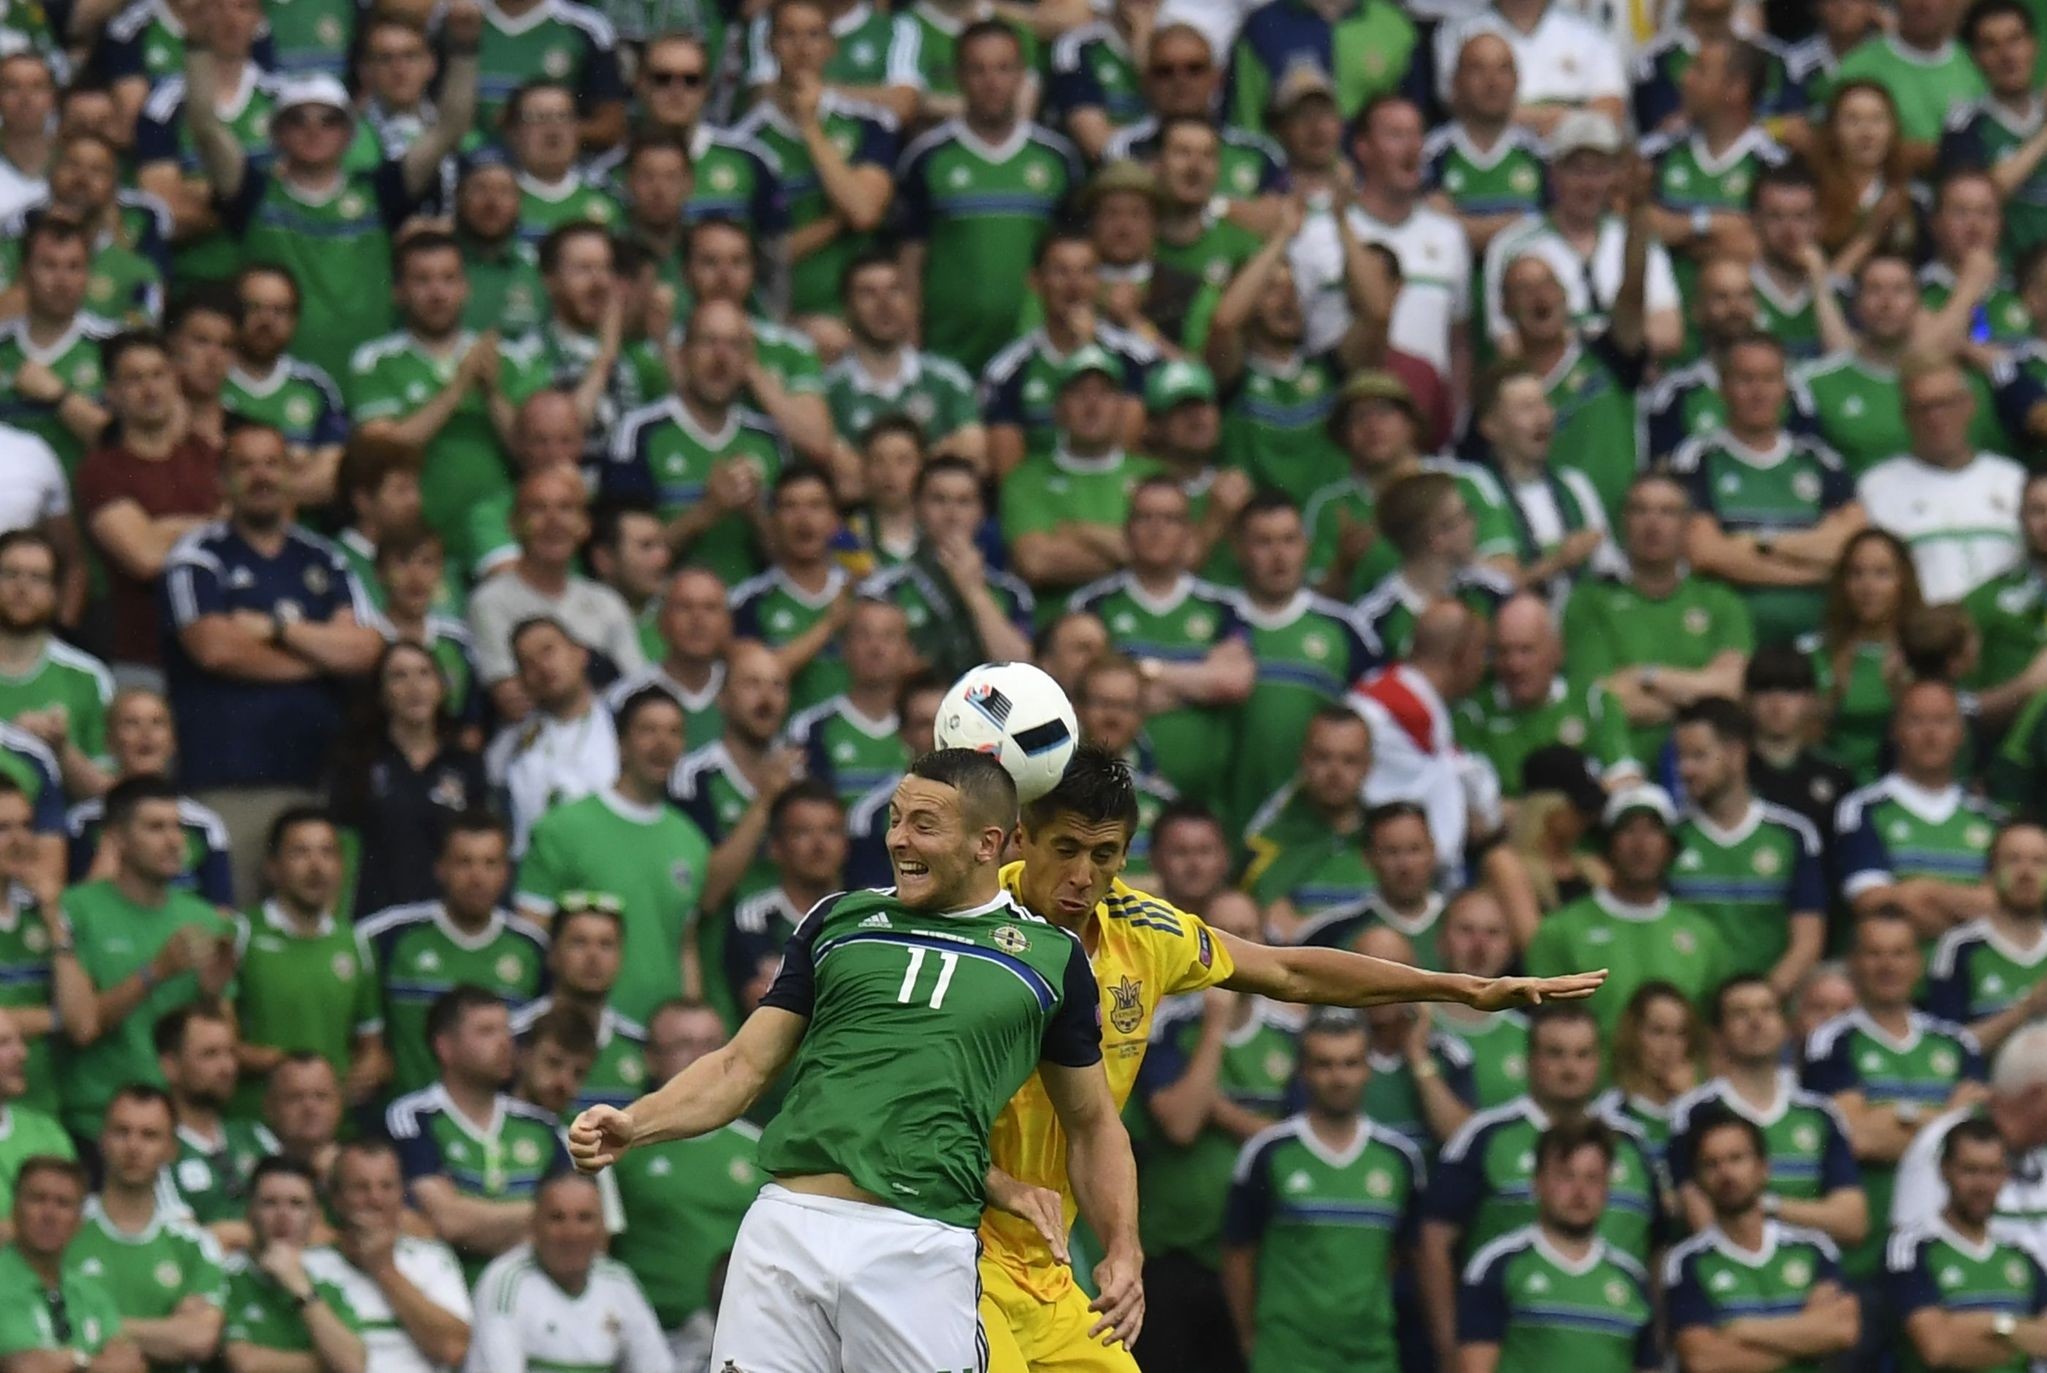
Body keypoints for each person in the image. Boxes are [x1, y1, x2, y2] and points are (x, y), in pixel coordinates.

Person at [970, 745, 1605, 1373]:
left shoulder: (1146, 934)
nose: (1083, 874)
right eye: (1066, 850)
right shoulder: (961, 928)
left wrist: (1459, 986)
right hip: (957, 1242)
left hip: (1046, 1269)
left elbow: (1290, 970)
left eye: (1103, 855)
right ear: (1022, 837)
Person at [568, 749, 1144, 1371]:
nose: (898, 839)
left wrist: (1122, 1245)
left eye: (924, 825)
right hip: (787, 1231)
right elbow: (741, 1066)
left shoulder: (1050, 957)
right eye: (895, 820)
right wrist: (638, 1123)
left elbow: (1091, 1126)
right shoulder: (840, 920)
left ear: (989, 843)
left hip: (920, 1244)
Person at [160, 424, 383, 897]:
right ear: (222, 482)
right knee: (232, 925)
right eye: (245, 465)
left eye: (272, 463)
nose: (261, 476)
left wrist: (280, 631)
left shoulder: (325, 558)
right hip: (227, 784)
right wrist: (320, 657)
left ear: (291, 475)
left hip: (318, 784)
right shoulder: (199, 557)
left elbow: (364, 650)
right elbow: (214, 649)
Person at [1418, 1005, 1661, 1373]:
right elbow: (1433, 1242)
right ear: (1530, 1059)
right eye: (1555, 1053)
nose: (1570, 1067)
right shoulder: (1486, 1137)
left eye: (1583, 1054)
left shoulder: (1633, 1145)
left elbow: (1658, 1252)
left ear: (1600, 1061)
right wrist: (1449, 1348)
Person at [1219, 1010, 1423, 1373]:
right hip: (1287, 1355)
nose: (1339, 1077)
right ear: (1303, 1071)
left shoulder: (1400, 1158)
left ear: (1367, 1068)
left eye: (1350, 1063)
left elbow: (1399, 1255)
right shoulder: (1268, 1153)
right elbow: (1238, 1255)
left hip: (1372, 1356)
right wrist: (1250, 1339)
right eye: (1324, 1064)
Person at [1805, 906, 1986, 1282]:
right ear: (1854, 962)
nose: (1888, 965)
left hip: (1945, 1249)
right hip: (1865, 1252)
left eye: (1900, 953)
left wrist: (1896, 1117)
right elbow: (1854, 1138)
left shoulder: (1957, 1044)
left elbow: (1976, 1144)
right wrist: (1944, 1119)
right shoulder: (1832, 1041)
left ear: (1918, 962)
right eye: (1875, 953)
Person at [50, 775, 236, 1140]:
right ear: (117, 838)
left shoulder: (204, 918)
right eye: (155, 827)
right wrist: (157, 971)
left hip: (179, 1126)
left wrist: (212, 995)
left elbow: (223, 1038)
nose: (173, 840)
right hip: (98, 1121)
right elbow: (82, 1028)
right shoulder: (76, 909)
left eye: (176, 827)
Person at [895, 22, 1084, 375]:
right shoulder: (927, 158)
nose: (992, 81)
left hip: (1035, 354)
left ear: (1022, 75)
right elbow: (910, 259)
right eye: (977, 69)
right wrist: (910, 339)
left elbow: (1076, 256)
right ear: (959, 77)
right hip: (946, 355)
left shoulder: (1056, 158)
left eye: (1003, 68)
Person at [515, 687, 710, 1018]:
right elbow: (530, 940)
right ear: (620, 743)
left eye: (674, 731)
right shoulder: (563, 828)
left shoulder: (691, 840)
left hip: (662, 1046)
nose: (662, 743)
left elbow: (685, 948)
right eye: (648, 730)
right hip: (580, 1039)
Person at [603, 999, 761, 1368]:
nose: (702, 1058)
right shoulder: (621, 1145)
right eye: (684, 1045)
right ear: (651, 1058)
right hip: (642, 1339)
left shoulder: (759, 1146)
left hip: (740, 1339)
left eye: (712, 1044)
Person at [1560, 474, 1755, 766]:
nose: (1653, 523)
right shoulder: (1589, 602)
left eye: (1667, 512)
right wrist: (1700, 691)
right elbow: (1599, 702)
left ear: (1688, 525)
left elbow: (1733, 690)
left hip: (1706, 768)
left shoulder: (1720, 601)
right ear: (1622, 522)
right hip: (1620, 765)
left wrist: (1647, 676)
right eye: (1640, 510)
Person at [1667, 976, 1867, 1248]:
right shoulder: (1694, 1114)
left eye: (1767, 1010)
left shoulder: (1821, 1113)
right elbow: (1706, 1225)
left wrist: (1766, 1206)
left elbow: (1852, 1222)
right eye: (1740, 1013)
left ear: (1785, 1026)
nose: (1756, 1021)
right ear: (1717, 1034)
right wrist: (1813, 1215)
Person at [387, 986, 571, 1281]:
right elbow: (446, 1221)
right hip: (449, 1297)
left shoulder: (541, 1126)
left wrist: (474, 1217)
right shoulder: (413, 1118)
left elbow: (573, 1225)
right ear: (445, 1047)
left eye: (506, 1032)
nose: (505, 1044)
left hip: (535, 1299)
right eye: (486, 1032)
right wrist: (541, 1213)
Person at [357, 811, 548, 1095]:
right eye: (464, 863)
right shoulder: (387, 936)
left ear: (506, 873)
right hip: (401, 1124)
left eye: (490, 863)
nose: (477, 877)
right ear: (440, 868)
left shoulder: (532, 948)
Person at [1525, 786, 1732, 1041]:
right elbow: (1548, 1030)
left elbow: (1717, 1029)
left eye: (1653, 830)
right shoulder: (1560, 931)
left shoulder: (1703, 935)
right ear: (1609, 844)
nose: (1641, 843)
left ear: (1670, 846)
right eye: (1628, 830)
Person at [1456, 1120, 1659, 1373]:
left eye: (1592, 1178)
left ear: (1607, 1188)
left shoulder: (1631, 1278)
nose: (1579, 1191)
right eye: (1566, 1176)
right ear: (1537, 1182)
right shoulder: (1497, 1265)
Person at [74, 331, 220, 683]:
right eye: (135, 379)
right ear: (112, 394)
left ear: (175, 381)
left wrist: (161, 529)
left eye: (159, 374)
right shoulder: (101, 470)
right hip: (140, 656)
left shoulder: (208, 456)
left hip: (214, 648)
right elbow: (144, 558)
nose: (150, 388)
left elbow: (250, 529)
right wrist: (214, 524)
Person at [1664, 1112, 1861, 1371]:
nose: (1726, 1173)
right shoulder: (1686, 1262)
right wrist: (1807, 1343)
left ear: (1763, 1168)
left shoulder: (1814, 1247)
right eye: (1711, 1164)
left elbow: (1841, 1329)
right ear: (1698, 1180)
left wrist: (1745, 1330)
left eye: (1736, 1159)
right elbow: (1705, 1361)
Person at [230, 808, 387, 1112]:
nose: (316, 866)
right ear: (273, 867)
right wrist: (289, 1066)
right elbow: (220, 1043)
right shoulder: (242, 934)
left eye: (327, 853)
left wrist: (369, 1068)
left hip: (335, 1129)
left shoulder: (356, 943)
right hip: (256, 1122)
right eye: (300, 853)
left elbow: (372, 1046)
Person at [1670, 698, 1827, 994]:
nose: (1685, 769)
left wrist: (1755, 1005)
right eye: (1680, 757)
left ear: (1736, 754)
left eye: (1698, 756)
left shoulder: (1792, 834)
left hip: (1768, 1013)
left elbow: (1808, 941)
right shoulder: (1671, 835)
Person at [328, 638, 488, 917]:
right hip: (375, 916)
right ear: (382, 693)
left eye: (424, 673)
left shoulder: (465, 765)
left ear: (441, 688)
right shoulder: (358, 763)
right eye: (399, 676)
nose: (415, 687)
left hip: (446, 921)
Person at [70, 1086, 228, 1367]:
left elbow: (198, 1339)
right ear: (102, 1140)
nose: (133, 1146)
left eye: (149, 1135)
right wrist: (165, 1331)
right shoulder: (66, 1230)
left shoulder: (195, 1244)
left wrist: (89, 1322)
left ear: (171, 1149)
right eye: (122, 1132)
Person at [468, 469, 646, 708]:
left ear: (584, 525)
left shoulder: (606, 602)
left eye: (565, 509)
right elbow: (513, 700)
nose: (554, 521)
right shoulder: (490, 602)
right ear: (514, 524)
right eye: (538, 509)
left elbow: (636, 687)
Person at [1858, 359, 2026, 604]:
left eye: (1946, 404)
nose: (1936, 418)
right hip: (1923, 634)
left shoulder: (2013, 481)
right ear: (1906, 415)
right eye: (1923, 408)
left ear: (1969, 405)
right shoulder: (1877, 488)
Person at [1837, 681, 1999, 933]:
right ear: (1895, 730)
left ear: (1961, 732)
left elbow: (2001, 905)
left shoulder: (1990, 818)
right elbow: (1870, 901)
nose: (1930, 734)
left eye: (1942, 721)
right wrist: (1965, 911)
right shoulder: (1863, 808)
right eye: (1916, 721)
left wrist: (1926, 890)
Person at [466, 1174, 668, 1373]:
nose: (571, 1233)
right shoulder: (505, 1282)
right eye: (557, 1218)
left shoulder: (619, 1283)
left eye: (585, 1218)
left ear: (602, 1228)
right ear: (533, 1224)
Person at [1891, 1117, 2047, 1370]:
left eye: (1992, 1171)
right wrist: (2019, 1334)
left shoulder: (2019, 1254)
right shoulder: (1912, 1249)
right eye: (1970, 1170)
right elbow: (1938, 1348)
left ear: (2005, 1175)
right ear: (1945, 1169)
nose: (1982, 1185)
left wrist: (1989, 1326)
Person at [308, 1139, 473, 1373]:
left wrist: (384, 1270)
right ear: (336, 1198)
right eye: (360, 1187)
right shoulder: (310, 1265)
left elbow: (455, 1348)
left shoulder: (431, 1258)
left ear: (401, 1194)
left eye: (387, 1187)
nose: (375, 1199)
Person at [1457, 595, 1640, 795]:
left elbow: (1627, 778)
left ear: (1556, 650)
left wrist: (1567, 814)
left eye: (1526, 650)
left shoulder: (1592, 700)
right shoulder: (1473, 717)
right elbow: (1478, 808)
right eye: (1503, 651)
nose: (1514, 665)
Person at [220, 1156, 367, 1373]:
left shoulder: (328, 1281)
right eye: (270, 1203)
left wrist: (300, 1287)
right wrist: (327, 1364)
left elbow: (353, 1365)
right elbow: (246, 1364)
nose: (283, 1216)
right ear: (249, 1211)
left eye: (297, 1204)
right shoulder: (224, 1277)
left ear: (315, 1216)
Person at [483, 618, 616, 855]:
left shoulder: (622, 722)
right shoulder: (507, 747)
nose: (543, 667)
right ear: (522, 680)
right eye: (528, 663)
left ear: (580, 654)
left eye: (549, 651)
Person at [1241, 711, 1377, 941]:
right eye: (1323, 757)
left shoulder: (1390, 839)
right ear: (1303, 759)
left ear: (1368, 765)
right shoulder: (1266, 846)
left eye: (1349, 760)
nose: (1335, 772)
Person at [0, 1157, 142, 1368]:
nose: (49, 1214)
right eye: (37, 1199)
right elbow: (25, 1367)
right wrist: (92, 1362)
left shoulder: (90, 1292)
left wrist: (74, 1361)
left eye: (63, 1203)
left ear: (79, 1219)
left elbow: (132, 1366)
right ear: (15, 1209)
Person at [0, 529, 112, 797]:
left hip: (60, 834)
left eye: (38, 578)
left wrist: (60, 749)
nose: (22, 587)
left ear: (56, 592)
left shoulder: (88, 676)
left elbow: (107, 796)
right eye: (10, 574)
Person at [510, 898, 646, 1115]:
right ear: (552, 954)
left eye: (606, 944)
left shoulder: (641, 1049)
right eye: (579, 942)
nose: (593, 956)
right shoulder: (512, 1036)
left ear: (621, 958)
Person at [154, 1002, 275, 1231]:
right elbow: (183, 1242)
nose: (227, 1067)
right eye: (210, 1054)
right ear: (170, 1066)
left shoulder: (257, 1136)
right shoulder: (157, 1148)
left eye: (230, 1053)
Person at [1929, 822, 2047, 1052]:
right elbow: (1944, 1051)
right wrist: (2027, 1009)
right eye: (2013, 860)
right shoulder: (1958, 947)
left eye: (2039, 862)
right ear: (1990, 873)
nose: (2026, 873)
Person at [1598, 981, 1704, 1167]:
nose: (1669, 1047)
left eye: (1680, 1033)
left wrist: (1691, 1101)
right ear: (1633, 1035)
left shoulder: (1704, 1110)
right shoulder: (1608, 1116)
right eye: (1658, 1032)